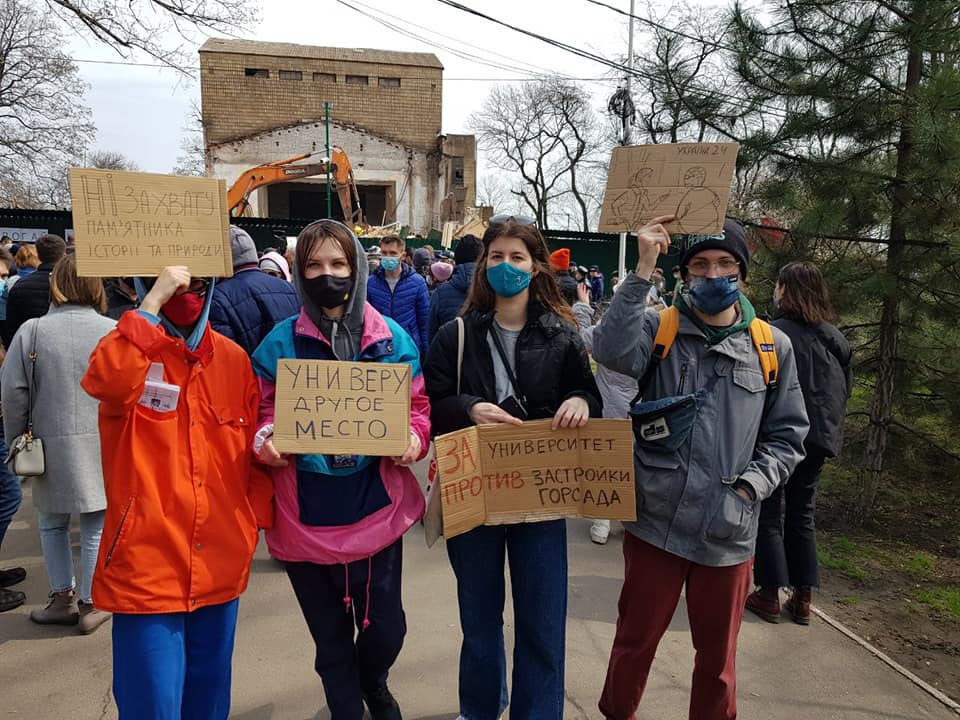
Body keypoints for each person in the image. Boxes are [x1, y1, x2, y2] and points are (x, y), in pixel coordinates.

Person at [592, 216, 808, 720]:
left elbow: (788, 436)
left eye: (725, 264)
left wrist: (749, 490)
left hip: (727, 533)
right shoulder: (659, 328)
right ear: (685, 274)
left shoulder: (772, 347)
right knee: (633, 644)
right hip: (655, 525)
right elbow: (609, 351)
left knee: (717, 663)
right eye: (701, 265)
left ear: (743, 274)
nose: (713, 275)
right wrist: (643, 267)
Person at [424, 217, 602, 720]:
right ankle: (478, 709)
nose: (506, 266)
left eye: (517, 257)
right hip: (475, 491)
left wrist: (580, 402)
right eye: (497, 256)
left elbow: (587, 392)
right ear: (484, 265)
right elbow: (431, 403)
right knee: (479, 620)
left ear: (535, 266)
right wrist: (469, 407)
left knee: (542, 621)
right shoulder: (455, 335)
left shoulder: (562, 335)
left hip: (540, 497)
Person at [251, 219, 429, 720]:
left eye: (338, 263)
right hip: (304, 515)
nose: (326, 274)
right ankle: (347, 706)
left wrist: (415, 438)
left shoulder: (391, 340)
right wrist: (264, 440)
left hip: (376, 512)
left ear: (357, 268)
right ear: (298, 273)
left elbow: (417, 404)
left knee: (386, 629)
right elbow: (262, 411)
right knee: (330, 643)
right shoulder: (278, 345)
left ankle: (373, 680)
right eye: (313, 265)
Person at [81, 263, 272, 719]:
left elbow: (248, 457)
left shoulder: (232, 359)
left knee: (207, 703)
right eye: (173, 284)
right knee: (152, 705)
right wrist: (149, 307)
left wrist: (251, 522)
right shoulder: (129, 351)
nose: (187, 292)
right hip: (147, 567)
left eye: (198, 283)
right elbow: (104, 382)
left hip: (220, 565)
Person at [1, 254, 116, 633]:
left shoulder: (31, 331)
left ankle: (61, 598)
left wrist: (16, 438)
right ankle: (91, 602)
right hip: (103, 442)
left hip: (49, 443)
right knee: (96, 524)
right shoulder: (112, 330)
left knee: (51, 524)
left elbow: (13, 394)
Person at [746, 261, 852, 625]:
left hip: (779, 436)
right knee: (803, 512)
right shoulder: (836, 338)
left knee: (770, 510)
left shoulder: (771, 334)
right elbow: (845, 388)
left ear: (785, 290)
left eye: (778, 285)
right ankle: (803, 598)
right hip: (821, 437)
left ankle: (769, 593)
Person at [572, 282, 638, 546]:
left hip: (607, 407)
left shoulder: (604, 330)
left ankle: (602, 521)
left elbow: (577, 344)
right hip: (638, 409)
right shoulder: (653, 327)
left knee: (604, 465)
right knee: (632, 464)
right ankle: (627, 518)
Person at [209, 226, 300, 355]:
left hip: (247, 373)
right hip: (291, 373)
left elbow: (225, 356)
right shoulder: (292, 290)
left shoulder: (217, 299)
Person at [367, 235, 431, 356]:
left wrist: (426, 355)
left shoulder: (417, 283)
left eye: (393, 253)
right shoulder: (371, 283)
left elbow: (424, 322)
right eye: (384, 253)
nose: (388, 257)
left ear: (403, 255)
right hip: (380, 348)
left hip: (409, 348)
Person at [3, 234, 66, 348]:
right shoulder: (73, 285)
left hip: (30, 350)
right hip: (64, 347)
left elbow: (11, 329)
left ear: (38, 255)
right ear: (63, 254)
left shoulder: (19, 286)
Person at [428, 234, 482, 343]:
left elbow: (431, 335)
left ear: (455, 260)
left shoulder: (439, 294)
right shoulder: (494, 292)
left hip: (447, 357)